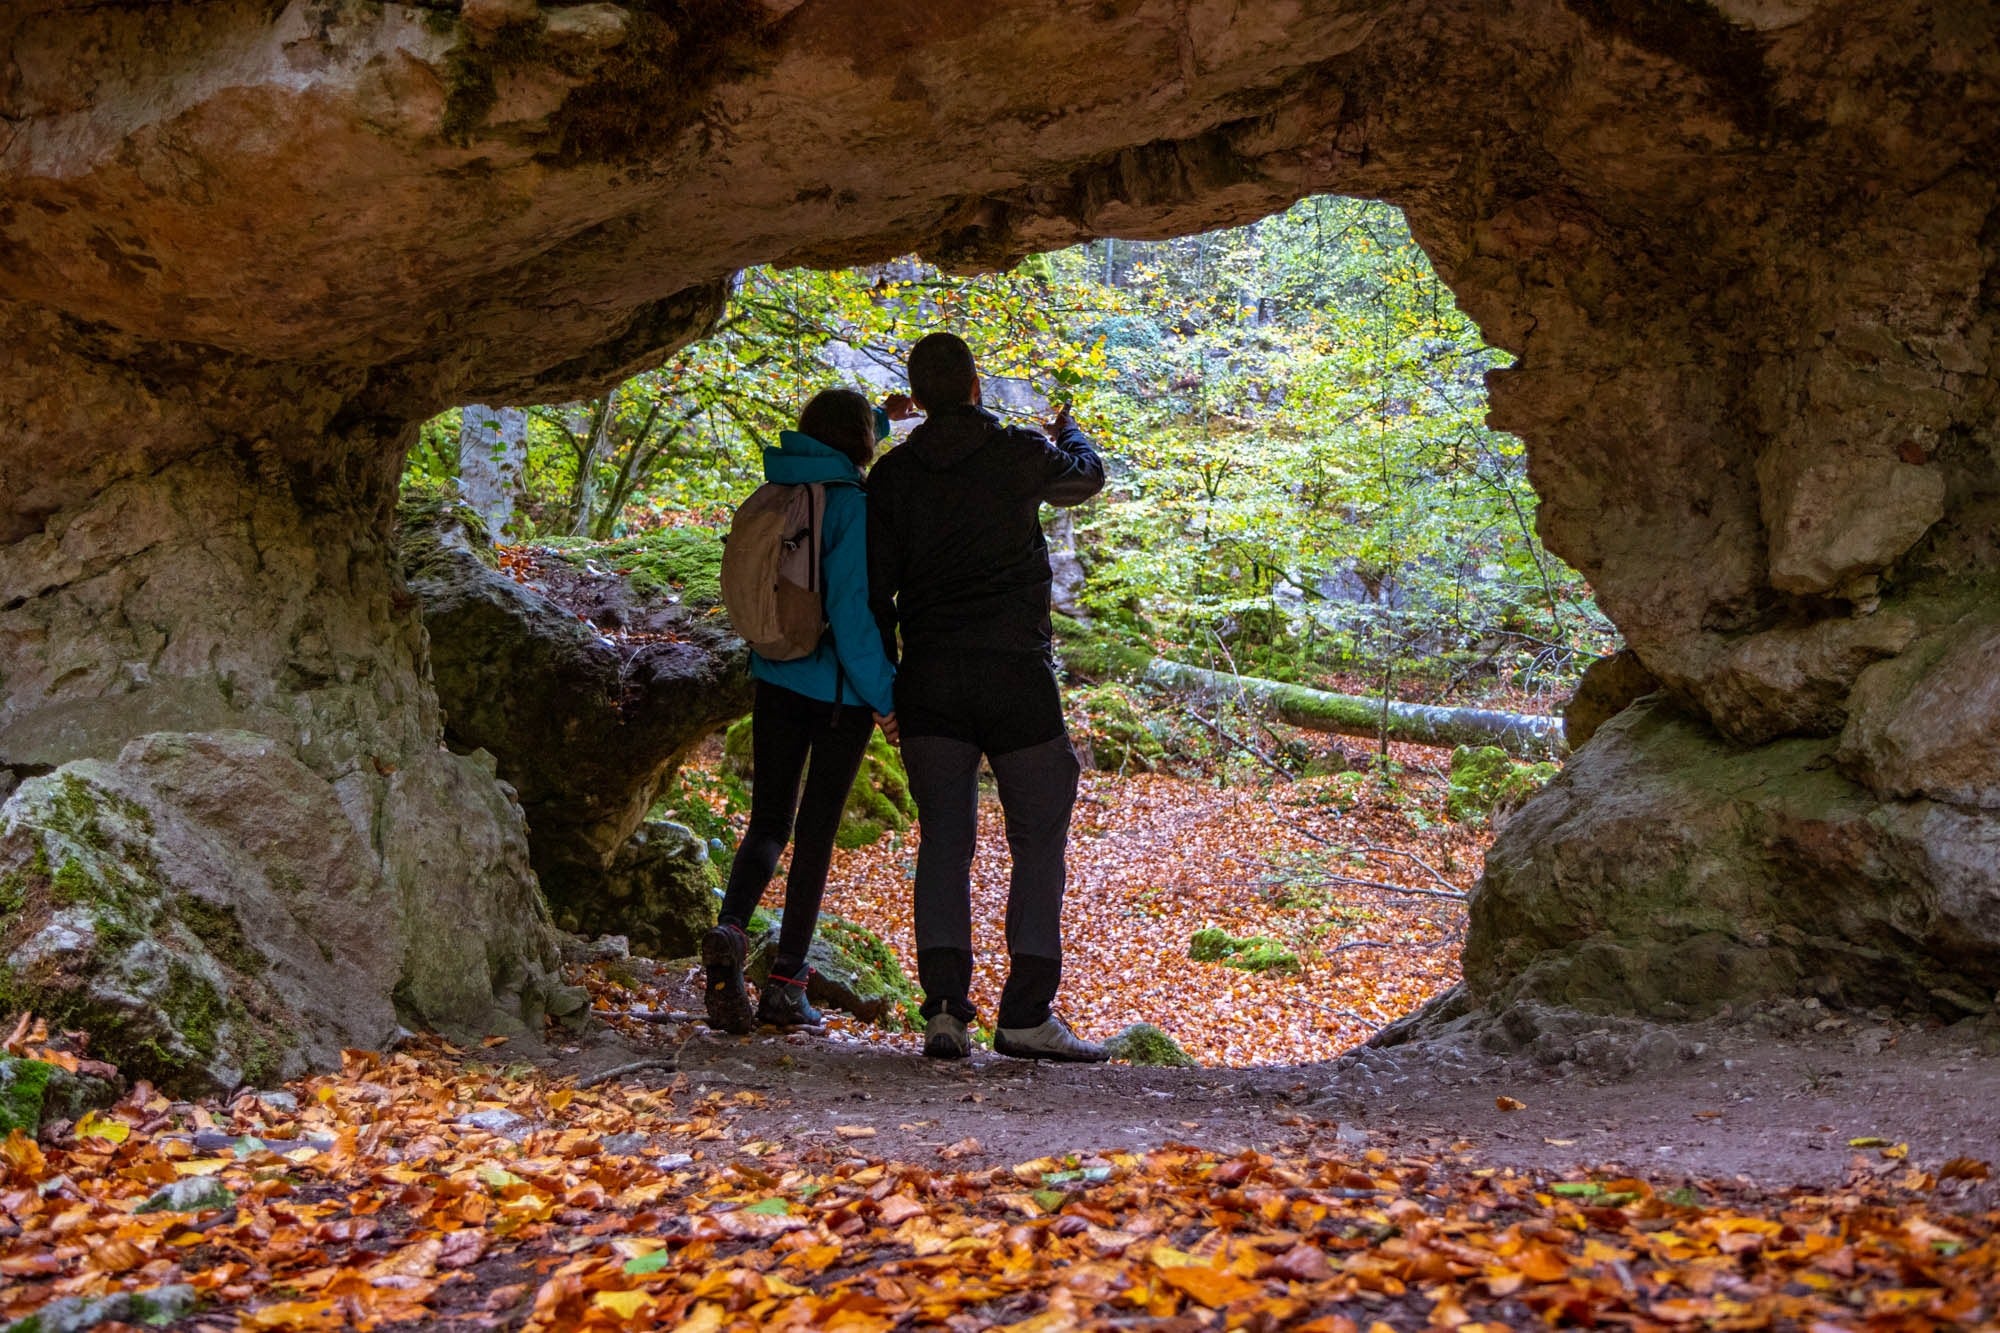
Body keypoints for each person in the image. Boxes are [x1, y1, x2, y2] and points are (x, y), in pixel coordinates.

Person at [867, 332, 1108, 1062]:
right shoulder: (1015, 453)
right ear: (975, 386)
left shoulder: (894, 476)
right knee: (1039, 839)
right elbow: (1087, 478)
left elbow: (875, 593)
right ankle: (1026, 1013)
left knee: (944, 840)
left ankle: (944, 1011)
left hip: (931, 677)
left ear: (918, 394)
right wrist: (1066, 427)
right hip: (1015, 676)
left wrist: (887, 686)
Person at [703, 388, 911, 1033]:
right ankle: (786, 986)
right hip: (838, 699)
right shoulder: (850, 506)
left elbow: (838, 441)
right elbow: (851, 616)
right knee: (816, 835)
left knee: (768, 821)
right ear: (859, 445)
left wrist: (880, 416)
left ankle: (732, 930)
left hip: (775, 677)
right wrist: (887, 699)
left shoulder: (782, 489)